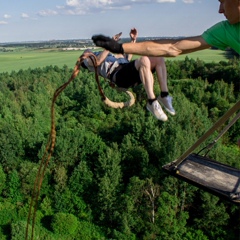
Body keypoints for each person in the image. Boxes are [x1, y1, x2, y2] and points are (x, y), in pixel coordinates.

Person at [81, 28, 175, 122]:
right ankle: (152, 101)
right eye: (85, 52)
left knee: (158, 58)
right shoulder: (87, 60)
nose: (87, 50)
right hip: (118, 75)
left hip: (125, 70)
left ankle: (164, 95)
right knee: (144, 60)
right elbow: (97, 62)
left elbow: (127, 59)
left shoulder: (105, 55)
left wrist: (133, 41)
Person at [91, 0, 240, 57]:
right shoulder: (225, 31)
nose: (220, 10)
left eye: (222, 1)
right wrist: (119, 47)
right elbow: (172, 48)